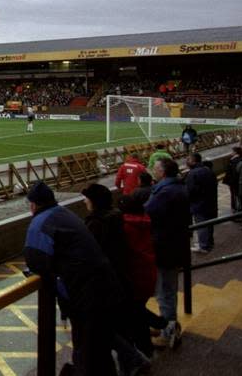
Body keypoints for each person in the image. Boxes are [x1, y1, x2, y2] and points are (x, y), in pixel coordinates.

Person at [24, 181, 123, 376]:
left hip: (86, 295)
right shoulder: (64, 214)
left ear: (33, 205)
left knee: (88, 352)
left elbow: (35, 261)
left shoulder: (41, 223)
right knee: (99, 351)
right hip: (106, 287)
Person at [80, 184, 150, 376]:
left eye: (87, 198)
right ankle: (132, 361)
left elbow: (90, 255)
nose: (84, 201)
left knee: (102, 328)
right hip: (119, 280)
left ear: (94, 201)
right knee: (118, 325)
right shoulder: (116, 217)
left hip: (103, 285)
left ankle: (132, 360)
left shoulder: (97, 223)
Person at [144, 158, 189, 348]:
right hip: (174, 245)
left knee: (165, 291)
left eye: (155, 169)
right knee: (167, 290)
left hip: (165, 247)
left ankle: (168, 331)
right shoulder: (177, 187)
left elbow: (148, 212)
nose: (153, 171)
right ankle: (166, 326)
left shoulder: (165, 192)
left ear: (163, 172)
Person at [118, 194, 162, 359]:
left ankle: (145, 349)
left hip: (134, 277)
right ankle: (149, 339)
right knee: (137, 310)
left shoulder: (126, 227)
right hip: (148, 273)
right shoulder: (144, 221)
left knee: (135, 313)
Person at [185, 153, 218, 253]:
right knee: (209, 223)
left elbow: (190, 191)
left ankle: (203, 246)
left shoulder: (192, 173)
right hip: (210, 202)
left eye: (188, 159)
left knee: (201, 224)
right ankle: (209, 242)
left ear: (194, 161)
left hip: (199, 204)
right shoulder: (208, 170)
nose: (186, 161)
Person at [224, 146, 242, 218]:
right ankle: (239, 208)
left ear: (235, 152)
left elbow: (233, 173)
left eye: (232, 151)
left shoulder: (234, 161)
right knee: (238, 196)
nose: (231, 153)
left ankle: (237, 209)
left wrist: (230, 182)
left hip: (234, 182)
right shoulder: (241, 159)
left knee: (235, 196)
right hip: (236, 182)